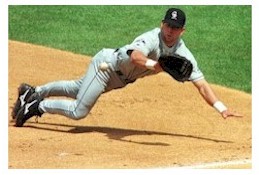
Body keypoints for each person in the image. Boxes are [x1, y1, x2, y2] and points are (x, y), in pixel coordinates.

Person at [12, 8, 242, 127]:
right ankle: (36, 106)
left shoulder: (183, 53)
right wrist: (157, 65)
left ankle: (32, 91)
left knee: (75, 89)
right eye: (167, 25)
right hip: (106, 68)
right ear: (162, 24)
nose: (170, 30)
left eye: (175, 27)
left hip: (118, 79)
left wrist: (221, 108)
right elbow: (136, 57)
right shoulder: (152, 37)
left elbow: (200, 84)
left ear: (182, 31)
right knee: (78, 111)